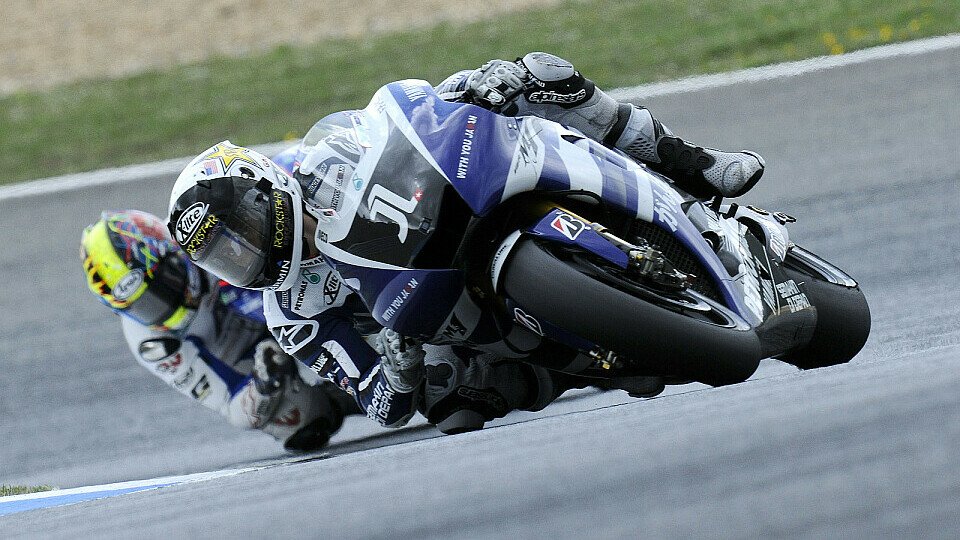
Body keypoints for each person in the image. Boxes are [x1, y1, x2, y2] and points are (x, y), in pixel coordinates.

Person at [165, 52, 765, 434]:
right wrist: (397, 372)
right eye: (227, 259)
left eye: (237, 237)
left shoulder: (321, 158)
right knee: (453, 406)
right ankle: (582, 366)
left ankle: (696, 165)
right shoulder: (291, 313)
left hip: (448, 208)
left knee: (537, 75)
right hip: (434, 318)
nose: (244, 257)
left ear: (260, 191)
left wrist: (465, 90)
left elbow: (403, 114)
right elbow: (378, 404)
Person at [80, 209, 359, 452]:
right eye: (144, 306)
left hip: (283, 293)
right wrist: (263, 386)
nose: (167, 305)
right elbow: (231, 407)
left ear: (170, 249)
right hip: (255, 354)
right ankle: (349, 391)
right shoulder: (149, 341)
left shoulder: (201, 232)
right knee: (296, 422)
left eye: (164, 283)